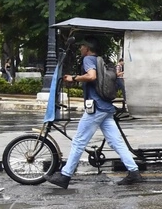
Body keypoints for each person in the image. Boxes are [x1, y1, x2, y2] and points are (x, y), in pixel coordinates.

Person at [45, 39, 141, 189]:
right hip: (105, 108)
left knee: (78, 141)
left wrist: (74, 78)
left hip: (96, 109)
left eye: (82, 46)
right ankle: (134, 171)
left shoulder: (88, 59)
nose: (80, 49)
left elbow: (91, 76)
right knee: (116, 142)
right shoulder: (100, 60)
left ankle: (65, 176)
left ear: (88, 48)